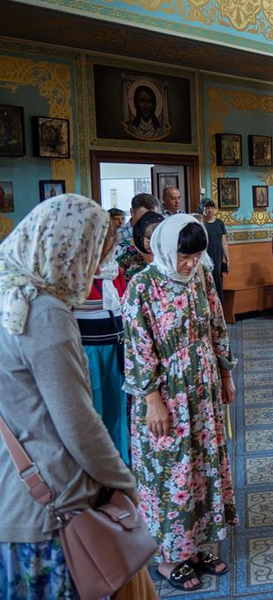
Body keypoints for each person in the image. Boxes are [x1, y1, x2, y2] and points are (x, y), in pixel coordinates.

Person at [0, 195, 136, 598]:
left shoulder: (8, 291)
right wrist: (123, 483)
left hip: (13, 487)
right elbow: (77, 421)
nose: (94, 266)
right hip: (51, 505)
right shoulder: (43, 310)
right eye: (93, 251)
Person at [123, 215, 236, 591]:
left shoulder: (201, 276)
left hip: (202, 389)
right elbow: (138, 348)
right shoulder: (142, 286)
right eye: (184, 256)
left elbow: (217, 325)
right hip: (166, 394)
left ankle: (198, 543)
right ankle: (170, 557)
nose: (190, 263)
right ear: (166, 249)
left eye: (197, 255)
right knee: (172, 474)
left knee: (202, 465)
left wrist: (225, 374)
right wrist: (152, 399)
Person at [73, 212, 130, 464]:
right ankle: (95, 464)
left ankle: (118, 460)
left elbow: (124, 303)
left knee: (116, 407)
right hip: (86, 351)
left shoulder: (114, 272)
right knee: (91, 409)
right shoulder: (72, 276)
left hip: (115, 348)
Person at [198, 198, 229, 303]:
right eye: (207, 208)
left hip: (217, 255)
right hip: (204, 256)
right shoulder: (200, 223)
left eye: (212, 208)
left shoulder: (219, 223)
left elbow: (224, 243)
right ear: (202, 209)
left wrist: (227, 260)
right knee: (207, 279)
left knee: (217, 279)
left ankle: (219, 304)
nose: (210, 210)